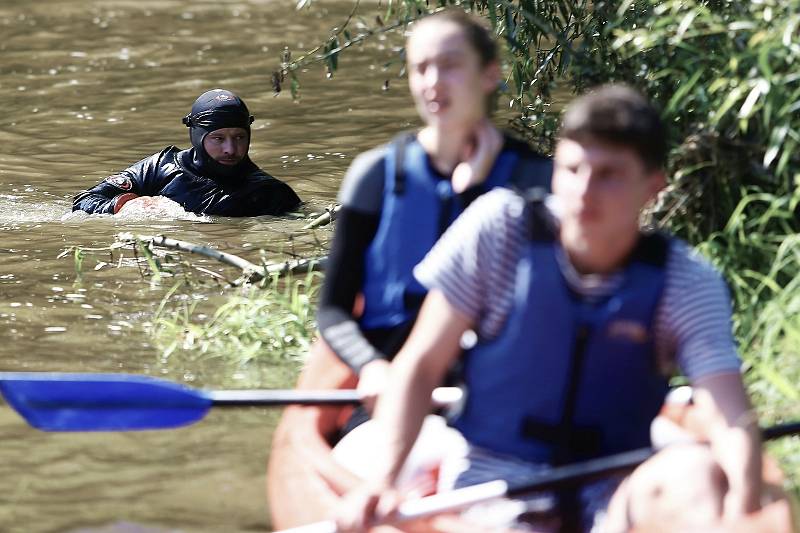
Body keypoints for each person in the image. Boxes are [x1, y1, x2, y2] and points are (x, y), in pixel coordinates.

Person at [335, 85, 767, 532]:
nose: (584, 190)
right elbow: (421, 366)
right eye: (572, 168)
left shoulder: (685, 279)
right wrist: (383, 480)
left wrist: (745, 503)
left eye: (608, 174)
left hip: (616, 480)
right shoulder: (498, 228)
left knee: (697, 473)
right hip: (495, 477)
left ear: (652, 187)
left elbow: (728, 413)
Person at [266, 10, 551, 529]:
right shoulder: (375, 177)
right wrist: (372, 368)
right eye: (421, 68)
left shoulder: (536, 179)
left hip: (498, 400)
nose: (433, 83)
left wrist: (473, 192)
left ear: (489, 74)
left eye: (450, 66)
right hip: (385, 400)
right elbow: (333, 311)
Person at [72, 88, 301, 216]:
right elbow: (84, 200)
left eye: (239, 137)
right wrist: (125, 205)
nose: (231, 149)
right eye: (218, 139)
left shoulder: (269, 193)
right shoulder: (160, 166)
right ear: (197, 137)